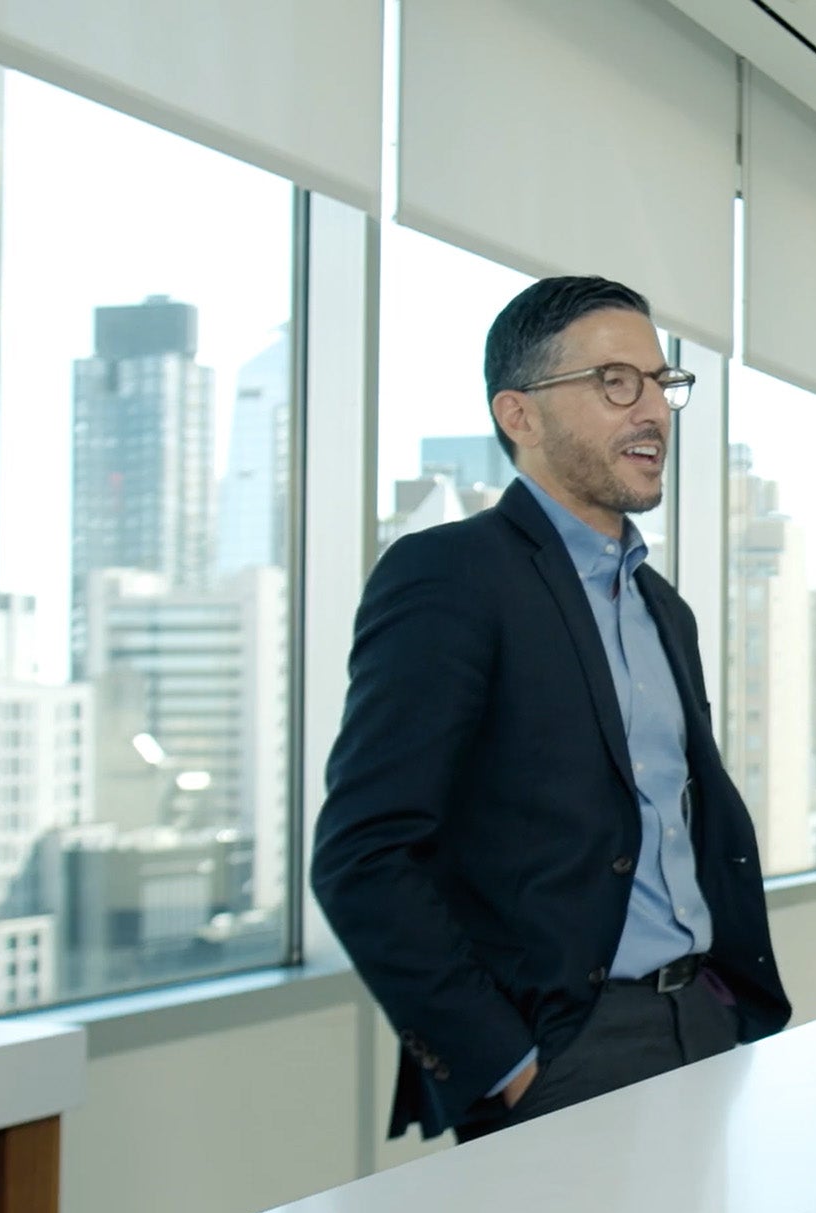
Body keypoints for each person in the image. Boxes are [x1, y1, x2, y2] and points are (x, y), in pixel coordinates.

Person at [313, 276, 788, 1143]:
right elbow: (362, 854)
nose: (652, 410)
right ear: (519, 415)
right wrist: (504, 1061)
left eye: (660, 381)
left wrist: (728, 998)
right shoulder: (451, 577)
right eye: (615, 381)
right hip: (567, 1052)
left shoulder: (660, 608)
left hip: (705, 1022)